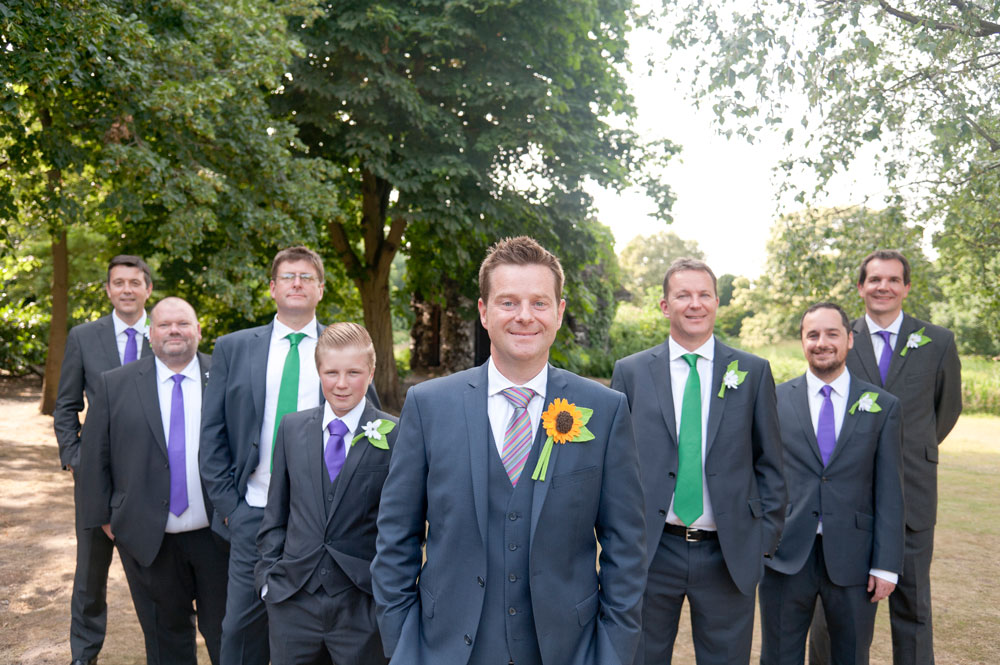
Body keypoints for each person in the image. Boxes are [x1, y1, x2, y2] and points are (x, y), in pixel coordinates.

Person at [372, 236, 647, 665]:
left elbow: (625, 549)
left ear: (558, 312)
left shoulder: (605, 410)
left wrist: (609, 654)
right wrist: (405, 648)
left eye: (539, 303)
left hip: (567, 651)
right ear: (484, 312)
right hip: (446, 649)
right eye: (507, 302)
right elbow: (394, 540)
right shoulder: (428, 406)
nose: (524, 316)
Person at [199, 246, 379, 665]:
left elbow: (368, 433)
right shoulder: (234, 348)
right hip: (252, 511)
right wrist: (231, 507)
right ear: (272, 288)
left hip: (323, 523)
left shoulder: (345, 349)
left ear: (320, 289)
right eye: (287, 277)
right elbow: (212, 434)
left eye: (306, 277)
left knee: (317, 633)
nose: (296, 283)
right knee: (239, 630)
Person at [610, 257, 786, 665]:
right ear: (665, 305)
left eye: (704, 294)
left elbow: (772, 465)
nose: (695, 303)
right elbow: (615, 467)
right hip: (652, 551)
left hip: (728, 553)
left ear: (716, 302)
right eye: (683, 295)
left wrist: (760, 542)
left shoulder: (753, 372)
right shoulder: (631, 372)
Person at [809, 251, 962, 665]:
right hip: (845, 502)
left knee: (913, 609)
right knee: (832, 612)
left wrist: (908, 451)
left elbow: (945, 412)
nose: (884, 287)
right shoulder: (837, 336)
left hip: (912, 496)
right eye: (874, 279)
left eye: (893, 280)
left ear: (906, 288)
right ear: (860, 287)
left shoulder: (938, 342)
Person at [78, 297, 229, 664]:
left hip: (219, 537)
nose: (174, 331)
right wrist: (107, 519)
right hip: (148, 539)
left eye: (183, 323)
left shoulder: (227, 377)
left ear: (198, 330)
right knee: (165, 642)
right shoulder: (115, 384)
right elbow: (95, 456)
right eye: (164, 325)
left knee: (229, 636)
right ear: (150, 333)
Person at [760, 302, 904, 665]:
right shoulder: (773, 400)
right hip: (785, 554)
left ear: (850, 340)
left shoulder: (883, 407)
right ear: (803, 341)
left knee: (851, 656)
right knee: (778, 656)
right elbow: (756, 475)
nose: (822, 342)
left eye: (832, 334)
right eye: (813, 335)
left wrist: (886, 564)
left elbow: (889, 490)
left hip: (855, 558)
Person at [256, 323, 397, 665]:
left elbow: (402, 525)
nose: (342, 383)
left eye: (353, 372)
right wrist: (268, 581)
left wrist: (385, 592)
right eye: (331, 372)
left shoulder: (397, 434)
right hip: (293, 601)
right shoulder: (291, 428)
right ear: (319, 371)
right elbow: (277, 513)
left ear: (371, 372)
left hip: (361, 603)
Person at [53, 254, 154, 665]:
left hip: (152, 476)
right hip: (97, 476)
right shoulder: (83, 336)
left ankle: (162, 651)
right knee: (91, 574)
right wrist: (76, 458)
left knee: (154, 574)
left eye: (135, 282)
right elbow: (65, 406)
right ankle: (84, 654)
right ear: (108, 289)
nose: (126, 289)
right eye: (118, 282)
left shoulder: (166, 335)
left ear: (148, 288)